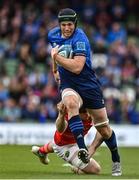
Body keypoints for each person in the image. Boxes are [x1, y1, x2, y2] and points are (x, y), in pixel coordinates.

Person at [48, 8, 122, 176]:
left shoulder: (80, 38)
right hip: (69, 85)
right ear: (59, 25)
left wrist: (56, 58)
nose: (66, 28)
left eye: (70, 24)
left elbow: (77, 67)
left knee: (104, 129)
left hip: (88, 86)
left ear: (75, 24)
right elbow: (56, 56)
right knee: (71, 103)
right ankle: (82, 149)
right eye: (63, 25)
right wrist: (55, 70)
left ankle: (116, 159)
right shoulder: (52, 35)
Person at [32, 102, 101, 174]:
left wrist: (93, 147)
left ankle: (41, 151)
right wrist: (61, 115)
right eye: (83, 112)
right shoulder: (69, 115)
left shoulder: (92, 113)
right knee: (95, 170)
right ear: (77, 112)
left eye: (87, 111)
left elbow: (103, 129)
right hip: (65, 146)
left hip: (74, 141)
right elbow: (60, 129)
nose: (87, 114)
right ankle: (76, 169)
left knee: (55, 144)